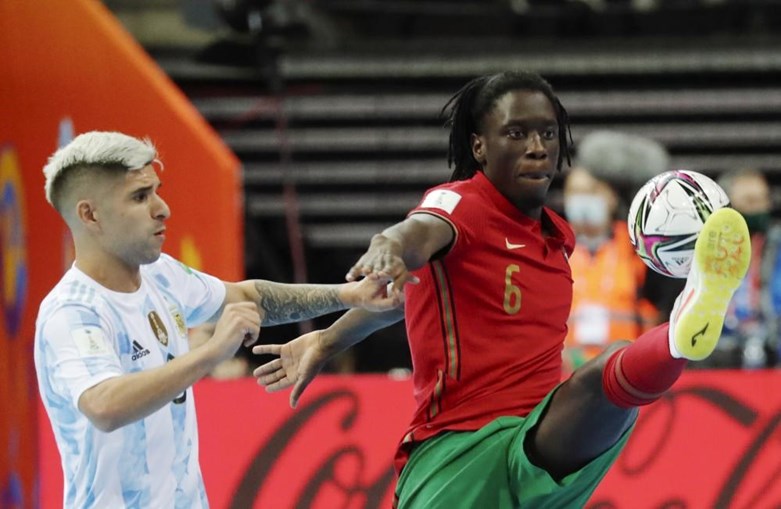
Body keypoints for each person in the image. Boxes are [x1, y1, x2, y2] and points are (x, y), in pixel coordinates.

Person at [253, 71, 751, 507]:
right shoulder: (461, 204)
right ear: (479, 146)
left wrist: (324, 340)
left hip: (541, 447)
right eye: (517, 133)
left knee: (604, 381)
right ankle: (676, 335)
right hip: (460, 455)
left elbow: (395, 303)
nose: (538, 147)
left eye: (548, 134)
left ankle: (681, 332)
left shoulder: (558, 237)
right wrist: (388, 246)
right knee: (605, 377)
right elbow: (417, 236)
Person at [33, 131, 401, 509]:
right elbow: (104, 406)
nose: (162, 208)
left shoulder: (161, 275)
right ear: (89, 214)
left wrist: (347, 296)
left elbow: (247, 297)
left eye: (156, 190)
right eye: (140, 197)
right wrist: (211, 353)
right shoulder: (73, 312)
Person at [561, 131, 682, 371]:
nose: (582, 199)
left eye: (592, 191)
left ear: (612, 197)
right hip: (565, 378)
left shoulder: (637, 245)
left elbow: (665, 303)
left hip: (627, 372)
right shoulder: (553, 247)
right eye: (574, 192)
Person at [711, 167, 781, 368]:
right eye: (750, 202)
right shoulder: (709, 250)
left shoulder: (777, 246)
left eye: (763, 200)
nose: (759, 208)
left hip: (771, 346)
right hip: (721, 349)